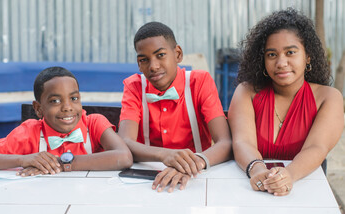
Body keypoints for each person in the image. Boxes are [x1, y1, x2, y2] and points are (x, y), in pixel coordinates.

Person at [228, 8, 344, 196]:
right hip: (252, 188)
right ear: (263, 59)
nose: (281, 63)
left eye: (290, 52)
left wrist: (288, 175)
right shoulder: (246, 91)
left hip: (304, 189)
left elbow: (318, 147)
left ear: (307, 57)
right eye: (272, 54)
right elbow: (242, 142)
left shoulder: (328, 97)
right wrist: (257, 170)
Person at [118, 22, 232, 192]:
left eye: (161, 55)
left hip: (196, 178)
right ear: (138, 63)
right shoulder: (134, 86)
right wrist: (165, 155)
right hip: (146, 181)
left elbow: (226, 142)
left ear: (178, 54)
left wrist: (190, 164)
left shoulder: (200, 82)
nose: (153, 66)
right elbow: (124, 142)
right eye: (144, 60)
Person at [0, 67, 133, 176]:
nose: (67, 107)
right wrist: (24, 160)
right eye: (55, 101)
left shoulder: (94, 124)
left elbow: (124, 157)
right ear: (38, 108)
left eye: (74, 99)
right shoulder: (29, 132)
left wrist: (62, 163)